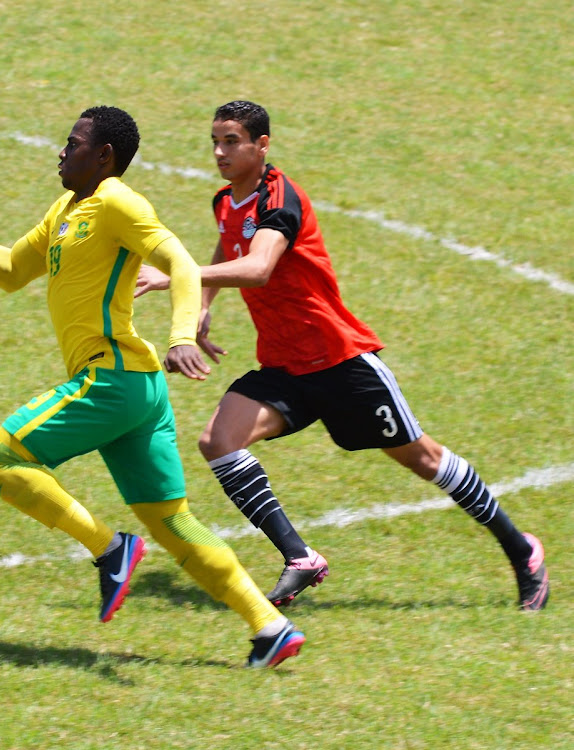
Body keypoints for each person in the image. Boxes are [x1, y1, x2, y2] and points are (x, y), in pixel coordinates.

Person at [0, 105, 306, 668]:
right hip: (136, 387)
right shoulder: (65, 208)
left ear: (103, 156)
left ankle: (110, 549)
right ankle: (269, 626)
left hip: (111, 378)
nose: (61, 150)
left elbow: (176, 257)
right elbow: (9, 270)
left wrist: (182, 333)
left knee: (0, 459)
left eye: (73, 142)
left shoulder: (117, 203)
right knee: (174, 521)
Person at [135, 100, 549, 612]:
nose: (220, 152)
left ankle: (521, 550)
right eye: (215, 141)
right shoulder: (226, 201)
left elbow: (261, 266)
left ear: (262, 145)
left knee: (423, 459)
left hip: (340, 361)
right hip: (284, 367)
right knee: (218, 441)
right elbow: (230, 245)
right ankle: (300, 557)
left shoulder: (279, 199)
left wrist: (178, 277)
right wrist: (204, 305)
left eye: (232, 141)